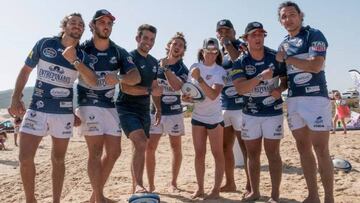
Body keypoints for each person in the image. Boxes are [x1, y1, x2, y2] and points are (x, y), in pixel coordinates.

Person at [8, 13, 97, 203]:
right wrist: (16, 97)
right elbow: (25, 71)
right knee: (24, 158)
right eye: (73, 22)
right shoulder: (45, 44)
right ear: (64, 26)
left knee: (58, 160)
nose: (77, 26)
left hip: (63, 114)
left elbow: (91, 81)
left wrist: (75, 61)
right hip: (36, 109)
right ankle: (30, 200)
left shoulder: (82, 55)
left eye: (81, 25)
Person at [76, 9, 141, 203]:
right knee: (95, 152)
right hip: (88, 102)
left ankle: (95, 196)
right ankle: (99, 198)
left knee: (114, 152)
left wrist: (120, 78)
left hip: (109, 105)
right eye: (102, 22)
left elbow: (135, 76)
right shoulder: (82, 48)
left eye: (109, 23)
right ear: (93, 25)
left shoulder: (118, 51)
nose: (106, 25)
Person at [276, 1, 334, 203]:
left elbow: (316, 66)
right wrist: (275, 89)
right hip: (293, 101)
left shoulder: (313, 34)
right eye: (283, 16)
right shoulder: (282, 44)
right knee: (302, 148)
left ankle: (329, 198)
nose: (288, 19)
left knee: (321, 150)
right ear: (280, 21)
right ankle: (313, 196)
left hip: (316, 98)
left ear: (300, 16)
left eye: (292, 14)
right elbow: (284, 80)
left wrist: (288, 59)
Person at [232, 22, 287, 203]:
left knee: (273, 154)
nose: (258, 38)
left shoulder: (275, 57)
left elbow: (286, 80)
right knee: (253, 155)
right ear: (246, 38)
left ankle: (275, 195)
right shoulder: (240, 61)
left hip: (273, 112)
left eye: (261, 34)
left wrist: (280, 90)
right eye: (254, 35)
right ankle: (255, 192)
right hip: (250, 114)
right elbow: (240, 88)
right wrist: (260, 77)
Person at [116, 24, 162, 193]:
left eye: (152, 39)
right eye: (145, 38)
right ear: (138, 38)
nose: (148, 42)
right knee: (141, 143)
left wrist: (158, 108)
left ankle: (136, 186)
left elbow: (156, 86)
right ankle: (139, 185)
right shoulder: (129, 58)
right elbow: (125, 88)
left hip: (144, 111)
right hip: (126, 108)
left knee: (139, 147)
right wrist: (149, 91)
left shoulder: (153, 62)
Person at [183, 38, 226, 199]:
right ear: (203, 51)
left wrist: (200, 78)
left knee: (217, 154)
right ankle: (200, 188)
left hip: (215, 118)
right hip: (197, 117)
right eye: (209, 51)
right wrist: (187, 98)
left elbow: (214, 95)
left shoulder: (220, 71)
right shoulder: (194, 67)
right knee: (199, 154)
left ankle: (215, 189)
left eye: (215, 52)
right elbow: (190, 92)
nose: (212, 55)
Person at [146, 32, 189, 193]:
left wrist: (166, 69)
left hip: (175, 113)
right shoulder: (155, 63)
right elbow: (152, 87)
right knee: (150, 148)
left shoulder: (182, 68)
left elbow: (177, 87)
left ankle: (173, 183)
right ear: (169, 46)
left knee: (176, 148)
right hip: (155, 112)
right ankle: (150, 185)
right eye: (175, 44)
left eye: (181, 46)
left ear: (183, 50)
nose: (177, 47)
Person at [216, 19, 250, 195]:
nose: (224, 33)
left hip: (241, 106)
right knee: (224, 147)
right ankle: (230, 183)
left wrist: (229, 43)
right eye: (220, 31)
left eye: (227, 30)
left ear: (234, 32)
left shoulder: (241, 45)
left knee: (245, 148)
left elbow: (239, 60)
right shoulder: (217, 51)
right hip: (224, 105)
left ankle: (250, 185)